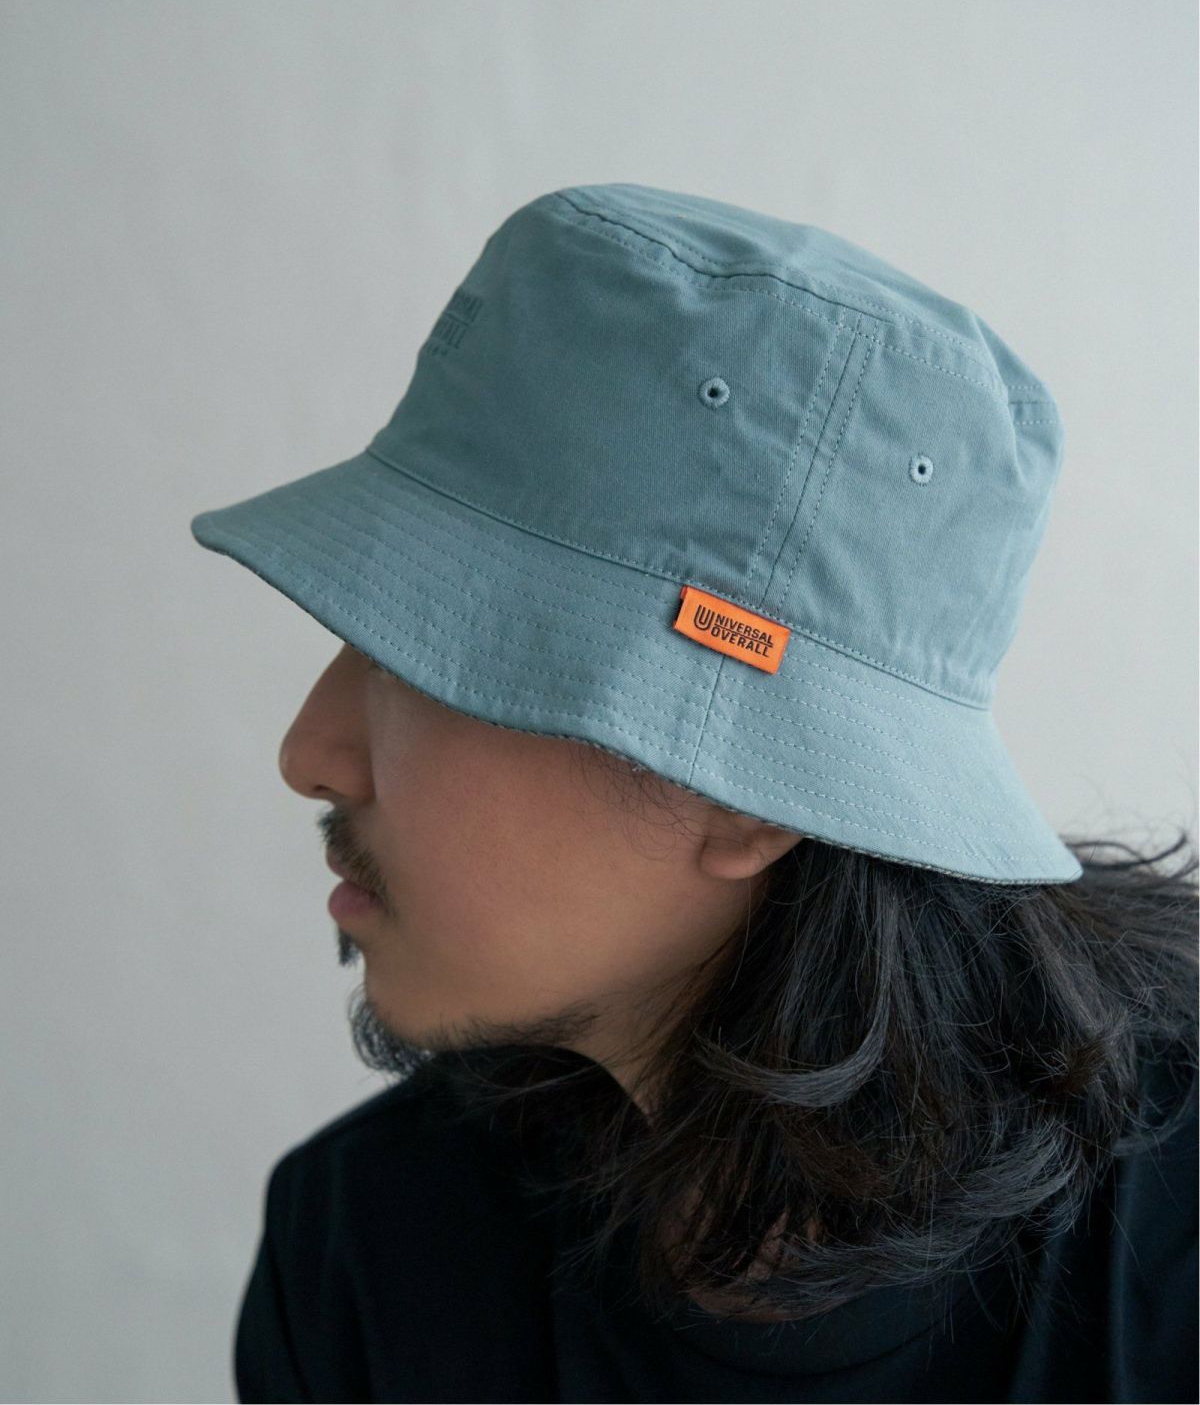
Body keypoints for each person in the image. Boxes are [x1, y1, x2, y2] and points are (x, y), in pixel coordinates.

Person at [191, 182, 1198, 1402]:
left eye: (422, 657)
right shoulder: (369, 1248)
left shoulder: (1170, 1239)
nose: (310, 751)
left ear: (751, 797)